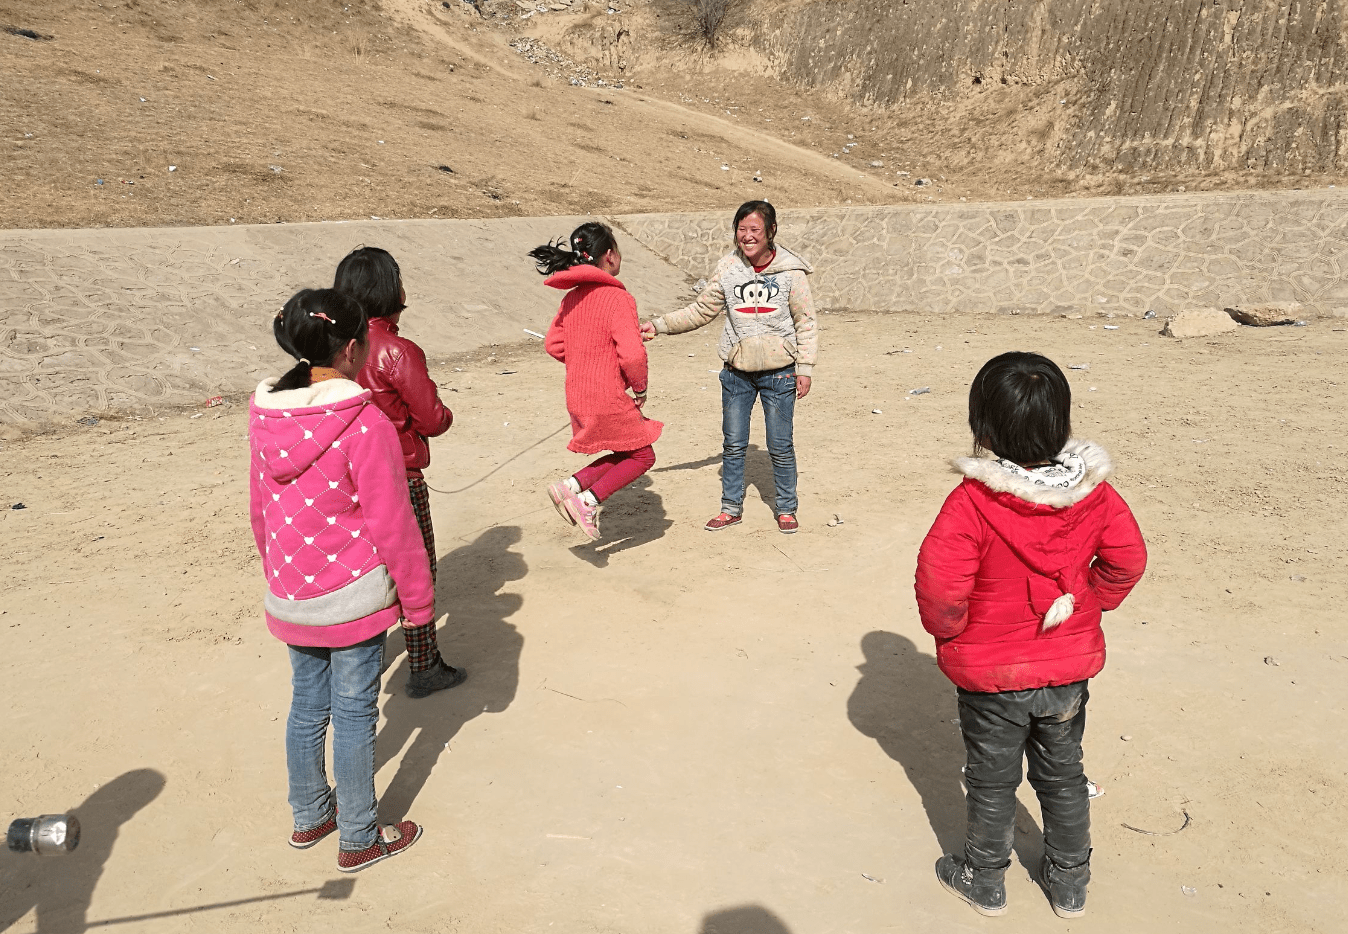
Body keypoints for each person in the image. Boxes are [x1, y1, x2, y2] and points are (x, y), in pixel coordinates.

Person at [913, 351, 1147, 918]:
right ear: (1060, 423)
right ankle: (1070, 883)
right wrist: (1090, 604)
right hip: (1066, 669)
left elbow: (941, 589)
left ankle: (984, 877)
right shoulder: (1095, 494)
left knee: (992, 781)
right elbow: (1128, 559)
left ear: (983, 426)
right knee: (1064, 775)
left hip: (992, 677)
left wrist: (954, 637)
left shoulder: (970, 503)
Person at [249, 288, 441, 872]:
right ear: (353, 348)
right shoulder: (364, 422)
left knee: (307, 706)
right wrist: (419, 599)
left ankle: (310, 814)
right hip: (351, 595)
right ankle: (360, 834)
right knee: (355, 712)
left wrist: (278, 575)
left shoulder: (265, 415)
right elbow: (393, 522)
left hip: (292, 591)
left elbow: (261, 511)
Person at [640, 200, 817, 534]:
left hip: (780, 373)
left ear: (771, 232)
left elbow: (805, 321)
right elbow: (701, 310)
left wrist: (804, 367)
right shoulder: (727, 268)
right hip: (736, 374)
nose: (747, 237)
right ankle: (730, 507)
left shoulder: (792, 274)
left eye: (755, 230)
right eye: (741, 229)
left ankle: (786, 507)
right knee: (733, 445)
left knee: (780, 445)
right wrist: (659, 325)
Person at [334, 246, 464, 699]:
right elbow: (430, 419)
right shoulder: (398, 351)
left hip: (344, 478)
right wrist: (444, 416)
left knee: (360, 571)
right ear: (390, 289)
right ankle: (424, 665)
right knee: (414, 570)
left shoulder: (334, 348)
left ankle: (353, 662)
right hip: (400, 479)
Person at [529, 222, 663, 541]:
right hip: (606, 394)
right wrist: (640, 387)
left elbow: (554, 344)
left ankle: (569, 486)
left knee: (626, 450)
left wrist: (589, 358)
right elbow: (631, 355)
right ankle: (587, 501)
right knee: (644, 455)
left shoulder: (571, 298)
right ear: (610, 256)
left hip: (577, 393)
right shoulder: (618, 298)